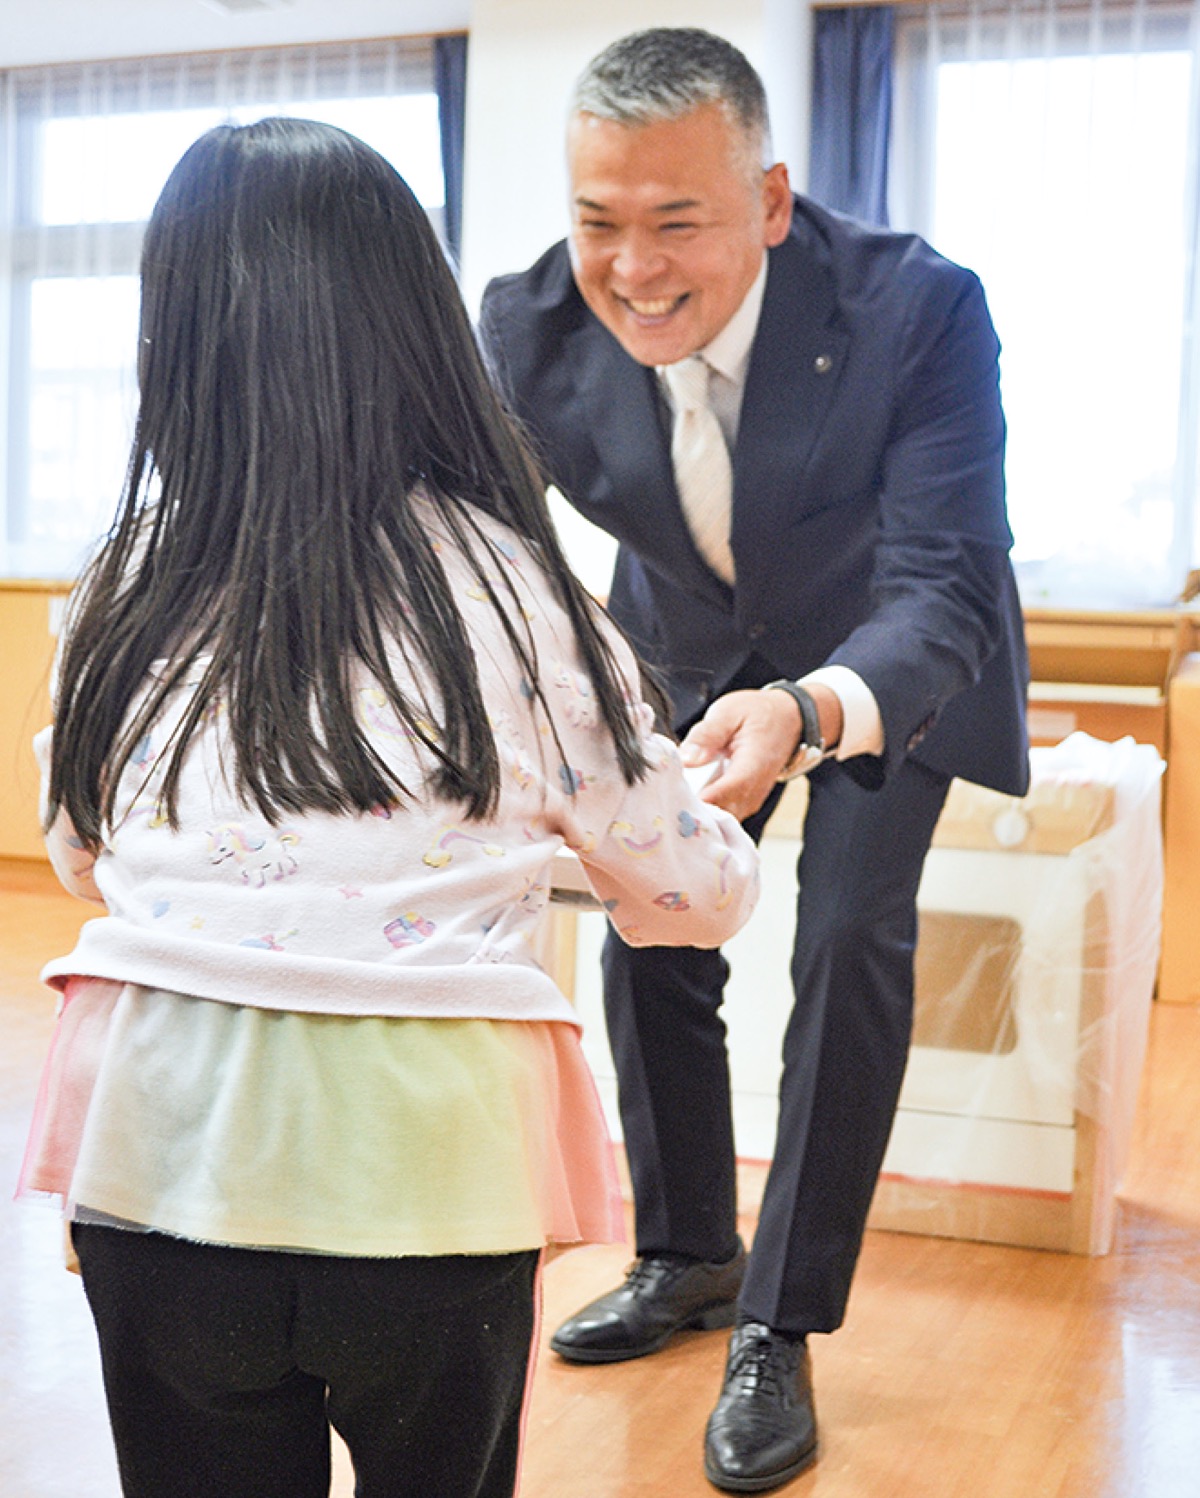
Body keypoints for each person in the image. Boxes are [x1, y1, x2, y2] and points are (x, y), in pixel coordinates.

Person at [17, 117, 760, 1498]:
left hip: (159, 1158)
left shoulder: (121, 581)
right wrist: (714, 812)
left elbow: (80, 853)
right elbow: (680, 898)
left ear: (173, 339)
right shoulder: (516, 588)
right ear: (416, 323)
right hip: (429, 1181)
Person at [480, 26, 1030, 1494]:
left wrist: (811, 705)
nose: (635, 269)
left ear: (772, 200)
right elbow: (470, 544)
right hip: (681, 643)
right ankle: (686, 1254)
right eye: (600, 221)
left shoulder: (917, 308)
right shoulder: (526, 327)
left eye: (678, 222)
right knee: (651, 927)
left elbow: (950, 584)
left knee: (847, 937)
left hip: (884, 658)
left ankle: (780, 1320)